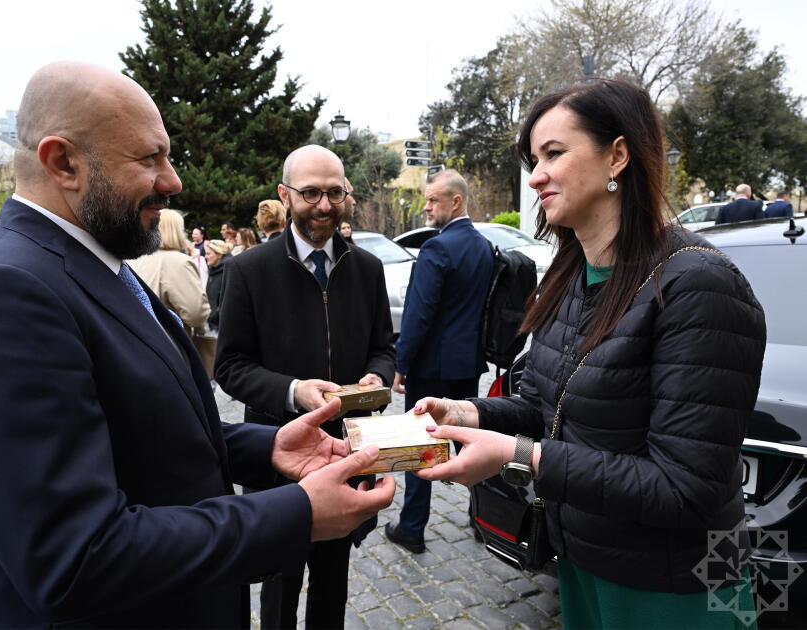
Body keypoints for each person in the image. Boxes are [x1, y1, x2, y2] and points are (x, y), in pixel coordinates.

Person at [0, 62, 395, 629]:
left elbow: (141, 429)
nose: (173, 181)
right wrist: (297, 514)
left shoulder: (90, 264)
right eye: (149, 158)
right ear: (63, 163)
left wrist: (268, 448)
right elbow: (75, 557)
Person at [413, 78, 765, 629]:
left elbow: (686, 488)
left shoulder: (699, 283)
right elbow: (545, 407)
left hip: (679, 586)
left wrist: (518, 455)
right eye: (534, 159)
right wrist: (463, 413)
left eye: (554, 153)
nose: (536, 176)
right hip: (583, 560)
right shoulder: (572, 276)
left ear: (617, 157)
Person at [215, 144, 396, 630]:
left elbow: (384, 347)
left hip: (346, 453)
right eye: (311, 192)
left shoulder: (368, 268)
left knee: (333, 582)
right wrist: (294, 390)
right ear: (285, 194)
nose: (324, 205)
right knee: (278, 586)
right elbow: (230, 366)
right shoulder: (248, 269)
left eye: (335, 193)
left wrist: (378, 376)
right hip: (279, 456)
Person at [384, 169, 493, 554]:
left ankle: (412, 527)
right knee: (468, 442)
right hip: (467, 365)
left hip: (430, 368)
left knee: (420, 444)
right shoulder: (483, 246)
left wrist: (401, 363)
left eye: (433, 200)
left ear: (456, 201)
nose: (426, 207)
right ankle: (484, 519)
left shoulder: (437, 248)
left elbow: (419, 314)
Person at [129, 207, 211, 354]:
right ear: (177, 231)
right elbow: (196, 314)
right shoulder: (179, 262)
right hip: (169, 348)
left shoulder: (132, 259)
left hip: (134, 345)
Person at [205, 239, 232, 335]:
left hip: (221, 327)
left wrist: (212, 316)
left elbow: (227, 301)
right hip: (212, 323)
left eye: (208, 254)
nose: (205, 256)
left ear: (219, 255)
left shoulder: (228, 271)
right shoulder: (213, 269)